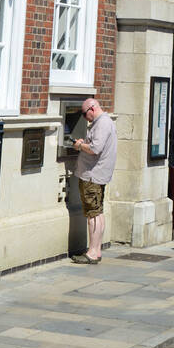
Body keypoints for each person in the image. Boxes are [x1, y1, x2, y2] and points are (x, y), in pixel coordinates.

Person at [71, 97, 117, 264]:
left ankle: (92, 252)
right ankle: (96, 250)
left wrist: (79, 145)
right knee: (98, 211)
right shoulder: (103, 122)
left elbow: (95, 148)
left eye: (84, 114)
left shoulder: (102, 123)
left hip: (93, 175)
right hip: (97, 174)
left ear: (92, 108)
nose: (84, 118)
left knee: (93, 214)